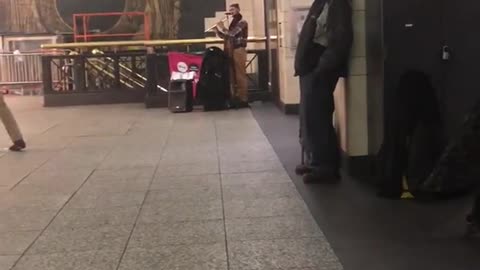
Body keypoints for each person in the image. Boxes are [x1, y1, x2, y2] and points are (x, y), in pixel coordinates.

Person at [294, 0, 353, 183]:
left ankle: (325, 167)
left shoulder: (337, 4)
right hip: (310, 68)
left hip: (318, 69)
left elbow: (341, 39)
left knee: (318, 116)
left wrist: (322, 67)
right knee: (309, 116)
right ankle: (316, 160)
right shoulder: (322, 3)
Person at [215, 3, 249, 108]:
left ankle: (244, 99)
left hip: (239, 50)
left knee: (240, 75)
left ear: (238, 10)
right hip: (232, 50)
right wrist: (217, 31)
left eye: (233, 9)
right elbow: (227, 37)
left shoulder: (242, 22)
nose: (231, 11)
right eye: (230, 9)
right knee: (233, 75)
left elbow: (232, 34)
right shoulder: (233, 23)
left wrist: (222, 27)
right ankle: (236, 97)